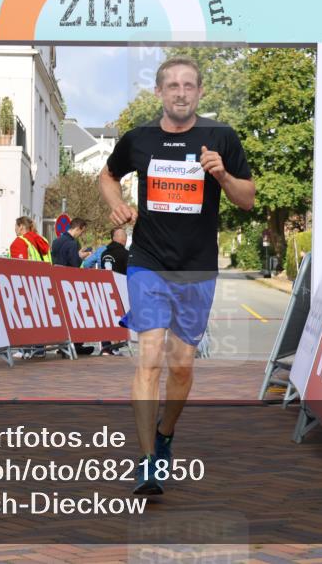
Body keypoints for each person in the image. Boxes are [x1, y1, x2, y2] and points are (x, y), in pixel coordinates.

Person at [99, 55, 255, 495]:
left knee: (181, 366)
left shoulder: (220, 137)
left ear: (200, 92)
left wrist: (221, 174)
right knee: (149, 357)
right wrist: (115, 202)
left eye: (189, 86)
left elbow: (247, 199)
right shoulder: (139, 139)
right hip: (148, 260)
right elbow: (107, 176)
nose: (181, 93)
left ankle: (166, 434)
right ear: (159, 93)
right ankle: (148, 460)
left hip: (197, 266)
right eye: (173, 86)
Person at [51, 217, 95, 357]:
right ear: (79, 228)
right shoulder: (72, 243)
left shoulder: (56, 241)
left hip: (55, 280)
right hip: (68, 283)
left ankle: (62, 346)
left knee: (62, 317)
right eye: (82, 231)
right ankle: (75, 346)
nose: (81, 234)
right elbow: (74, 264)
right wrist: (82, 256)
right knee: (73, 316)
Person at [8, 216, 52, 358]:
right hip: (43, 284)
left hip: (26, 284)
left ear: (21, 226)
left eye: (16, 226)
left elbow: (19, 266)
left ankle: (25, 350)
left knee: (26, 318)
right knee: (39, 319)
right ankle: (39, 349)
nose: (15, 229)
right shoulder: (42, 240)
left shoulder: (20, 242)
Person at [98, 226, 130, 356]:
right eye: (124, 237)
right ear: (120, 239)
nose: (125, 239)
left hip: (105, 288)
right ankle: (115, 346)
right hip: (120, 290)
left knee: (107, 317)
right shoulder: (125, 254)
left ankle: (106, 346)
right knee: (118, 317)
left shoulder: (104, 253)